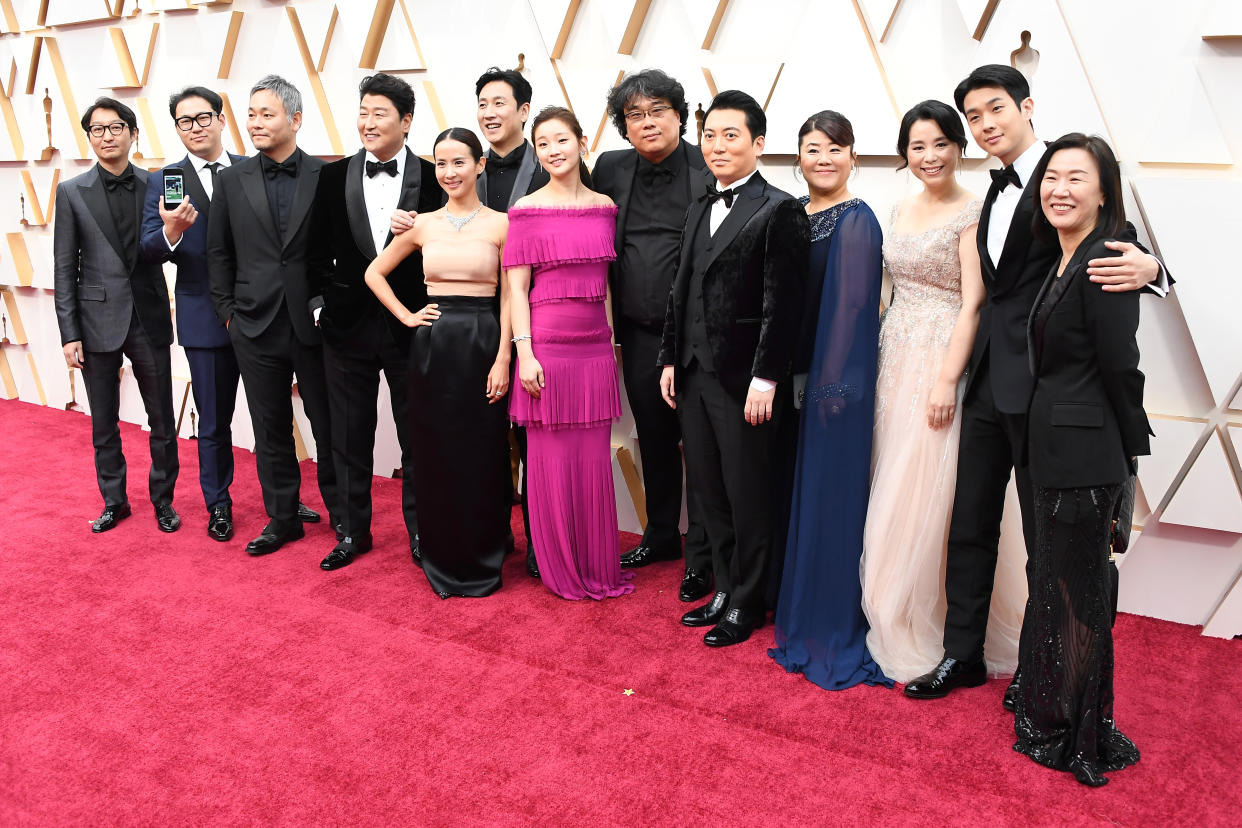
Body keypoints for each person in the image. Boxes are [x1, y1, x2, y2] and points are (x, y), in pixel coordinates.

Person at [905, 65, 1170, 703]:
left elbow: (1113, 238)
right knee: (969, 521)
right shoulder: (992, 193)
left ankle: (1039, 667)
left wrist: (1154, 268)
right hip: (987, 380)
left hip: (1047, 392)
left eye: (995, 108)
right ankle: (961, 655)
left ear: (1027, 106)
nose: (985, 124)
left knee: (1040, 536)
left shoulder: (1065, 175)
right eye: (972, 116)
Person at [860, 101, 1026, 682]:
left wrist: (947, 382)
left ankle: (939, 621)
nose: (929, 157)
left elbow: (975, 303)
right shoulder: (898, 208)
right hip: (894, 356)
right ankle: (893, 604)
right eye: (917, 147)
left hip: (940, 356)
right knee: (893, 473)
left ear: (959, 147)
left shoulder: (973, 211)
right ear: (904, 154)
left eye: (940, 144)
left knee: (931, 483)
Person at [1016, 133, 1148, 787]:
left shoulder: (1109, 261)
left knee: (1082, 600)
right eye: (1051, 176)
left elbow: (1123, 367)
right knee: (1061, 593)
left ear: (1103, 191)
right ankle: (1057, 712)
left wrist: (1129, 459)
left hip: (1088, 458)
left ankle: (1080, 733)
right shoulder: (1061, 256)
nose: (1059, 188)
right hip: (1053, 451)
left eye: (1077, 178)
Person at [658, 90, 809, 646]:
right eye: (711, 135)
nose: (717, 146)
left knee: (749, 494)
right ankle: (723, 586)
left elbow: (783, 304)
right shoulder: (700, 203)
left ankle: (749, 601)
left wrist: (766, 378)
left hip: (744, 380)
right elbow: (681, 289)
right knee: (708, 491)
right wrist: (670, 357)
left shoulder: (779, 209)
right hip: (694, 372)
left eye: (731, 135)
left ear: (758, 143)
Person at [768, 111, 889, 689]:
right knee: (801, 493)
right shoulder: (795, 214)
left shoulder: (857, 219)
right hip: (798, 378)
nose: (823, 159)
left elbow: (850, 307)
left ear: (853, 157)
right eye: (812, 149)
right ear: (798, 157)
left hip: (836, 383)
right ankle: (800, 607)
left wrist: (831, 386)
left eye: (834, 149)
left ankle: (831, 621)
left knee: (830, 496)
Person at [365, 127, 511, 597]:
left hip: (484, 338)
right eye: (441, 164)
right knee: (438, 451)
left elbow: (511, 296)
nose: (449, 172)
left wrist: (504, 355)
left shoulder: (503, 224)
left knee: (484, 450)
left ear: (479, 164)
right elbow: (374, 272)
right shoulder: (422, 224)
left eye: (459, 162)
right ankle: (442, 550)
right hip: (434, 343)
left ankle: (487, 549)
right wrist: (408, 315)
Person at [307, 73, 440, 572]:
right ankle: (351, 531)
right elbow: (314, 253)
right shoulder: (331, 175)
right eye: (363, 112)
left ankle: (424, 533)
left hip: (413, 327)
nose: (368, 122)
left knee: (418, 437)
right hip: (344, 329)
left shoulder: (432, 178)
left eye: (379, 113)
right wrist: (322, 307)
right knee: (348, 435)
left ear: (406, 121)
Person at [592, 69, 713, 602]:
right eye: (635, 114)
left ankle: (705, 553)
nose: (647, 122)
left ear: (681, 116)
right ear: (623, 125)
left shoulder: (709, 164)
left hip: (701, 336)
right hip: (639, 334)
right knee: (654, 438)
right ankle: (662, 534)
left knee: (705, 445)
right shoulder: (610, 168)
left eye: (658, 110)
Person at [207, 75, 339, 558]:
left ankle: (342, 512)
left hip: (313, 323)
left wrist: (329, 306)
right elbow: (218, 252)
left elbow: (336, 252)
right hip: (253, 324)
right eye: (252, 114)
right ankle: (283, 518)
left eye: (267, 114)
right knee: (270, 428)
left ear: (295, 120)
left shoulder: (327, 174)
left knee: (328, 425)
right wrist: (228, 314)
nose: (256, 123)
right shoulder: (230, 179)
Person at [506, 106, 633, 601]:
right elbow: (516, 290)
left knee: (592, 463)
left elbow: (605, 286)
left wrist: (614, 345)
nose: (554, 150)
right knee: (551, 465)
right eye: (543, 143)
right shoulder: (527, 210)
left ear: (582, 141)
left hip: (595, 350)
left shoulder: (605, 206)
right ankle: (559, 565)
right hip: (547, 350)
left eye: (561, 139)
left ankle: (594, 561)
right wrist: (526, 354)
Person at [54, 97, 180, 535]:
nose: (106, 136)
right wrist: (69, 332)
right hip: (94, 322)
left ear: (132, 133)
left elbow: (170, 247)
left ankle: (164, 501)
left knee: (162, 416)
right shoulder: (71, 191)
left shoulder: (157, 183)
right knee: (103, 421)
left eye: (115, 128)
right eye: (97, 130)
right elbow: (65, 266)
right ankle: (115, 500)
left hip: (147, 315)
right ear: (89, 137)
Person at [139, 86, 243, 542]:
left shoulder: (249, 169)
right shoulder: (165, 180)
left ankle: (284, 498)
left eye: (203, 118)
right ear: (177, 129)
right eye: (185, 121)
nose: (195, 128)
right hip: (204, 320)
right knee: (214, 421)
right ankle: (218, 504)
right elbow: (146, 248)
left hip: (262, 314)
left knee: (272, 416)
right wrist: (171, 231)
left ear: (222, 120)